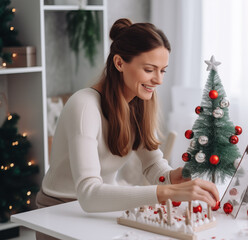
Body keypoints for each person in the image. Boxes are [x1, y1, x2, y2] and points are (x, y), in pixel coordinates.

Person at [37, 19, 218, 215]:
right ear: (119, 63)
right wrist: (169, 191)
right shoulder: (84, 106)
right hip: (60, 210)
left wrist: (173, 177)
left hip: (101, 207)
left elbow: (153, 164)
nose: (158, 80)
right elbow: (88, 195)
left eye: (162, 70)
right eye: (149, 70)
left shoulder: (139, 103)